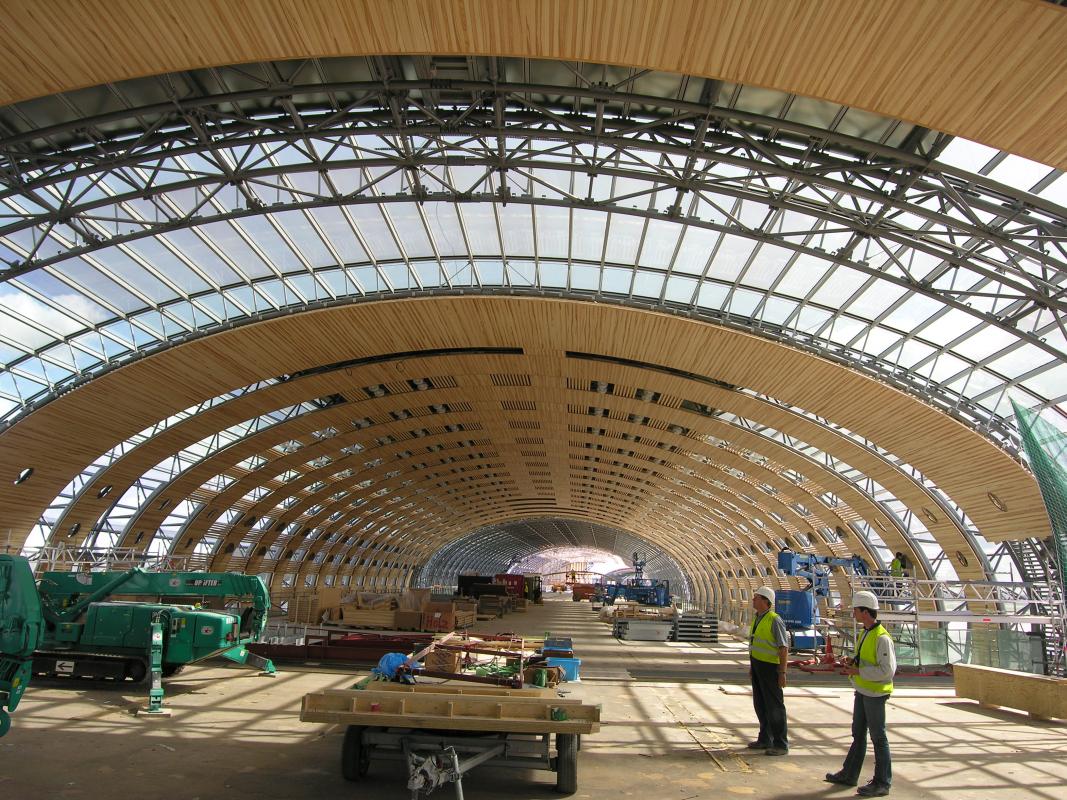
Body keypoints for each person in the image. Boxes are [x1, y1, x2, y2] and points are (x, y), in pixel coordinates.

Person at [825, 590, 897, 797]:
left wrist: (858, 671)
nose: (853, 614)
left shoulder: (882, 638)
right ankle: (849, 774)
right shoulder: (866, 633)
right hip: (863, 691)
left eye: (856, 610)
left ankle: (882, 782)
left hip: (875, 694)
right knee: (858, 734)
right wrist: (851, 662)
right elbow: (864, 659)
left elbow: (887, 671)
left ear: (865, 612)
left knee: (878, 737)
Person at [747, 585, 789, 756]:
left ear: (765, 601)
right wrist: (752, 666)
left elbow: (783, 648)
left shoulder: (774, 620)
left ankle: (781, 743)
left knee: (775, 707)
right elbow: (755, 644)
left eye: (756, 597)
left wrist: (782, 672)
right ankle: (765, 738)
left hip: (771, 668)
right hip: (758, 666)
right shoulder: (757, 618)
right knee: (760, 704)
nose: (753, 600)